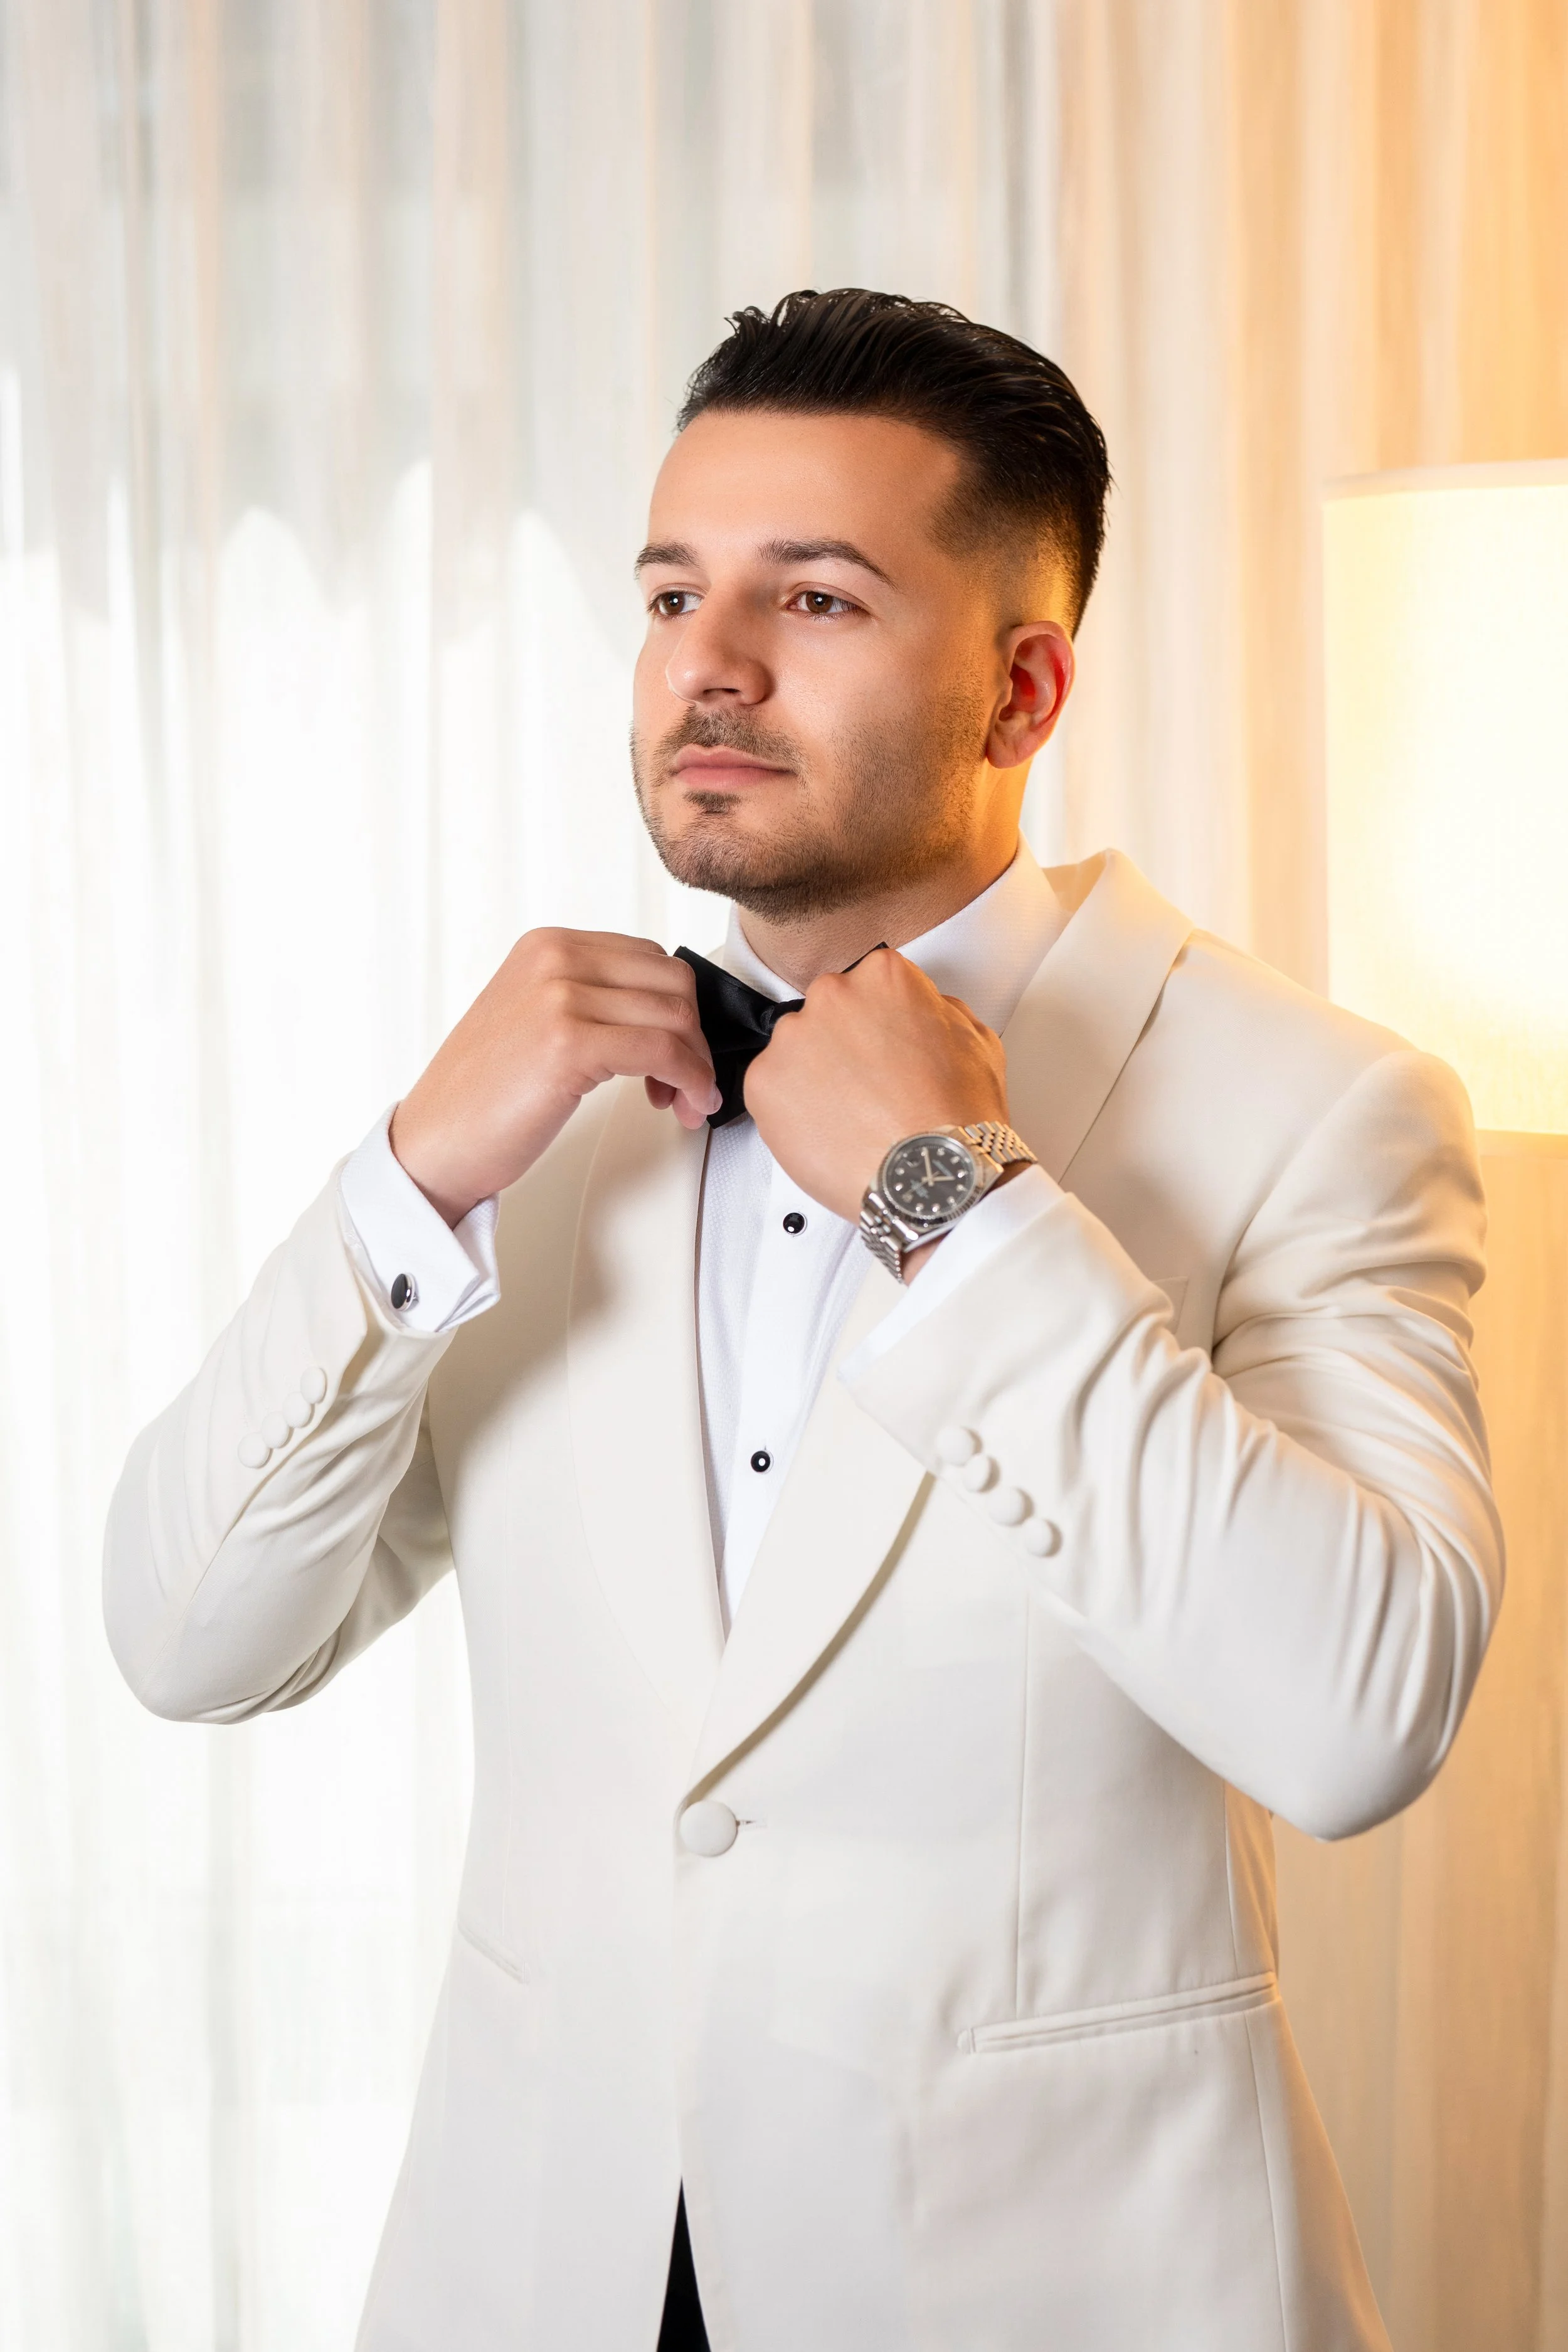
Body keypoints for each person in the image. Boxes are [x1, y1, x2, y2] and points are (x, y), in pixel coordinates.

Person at [103, 289, 1502, 2352]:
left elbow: (1354, 1713)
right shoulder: (541, 1118)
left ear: (1022, 688)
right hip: (538, 2273)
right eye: (673, 593)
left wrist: (959, 1203)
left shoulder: (1321, 1107)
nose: (712, 665)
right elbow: (187, 1638)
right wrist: (407, 1178)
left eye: (817, 598)